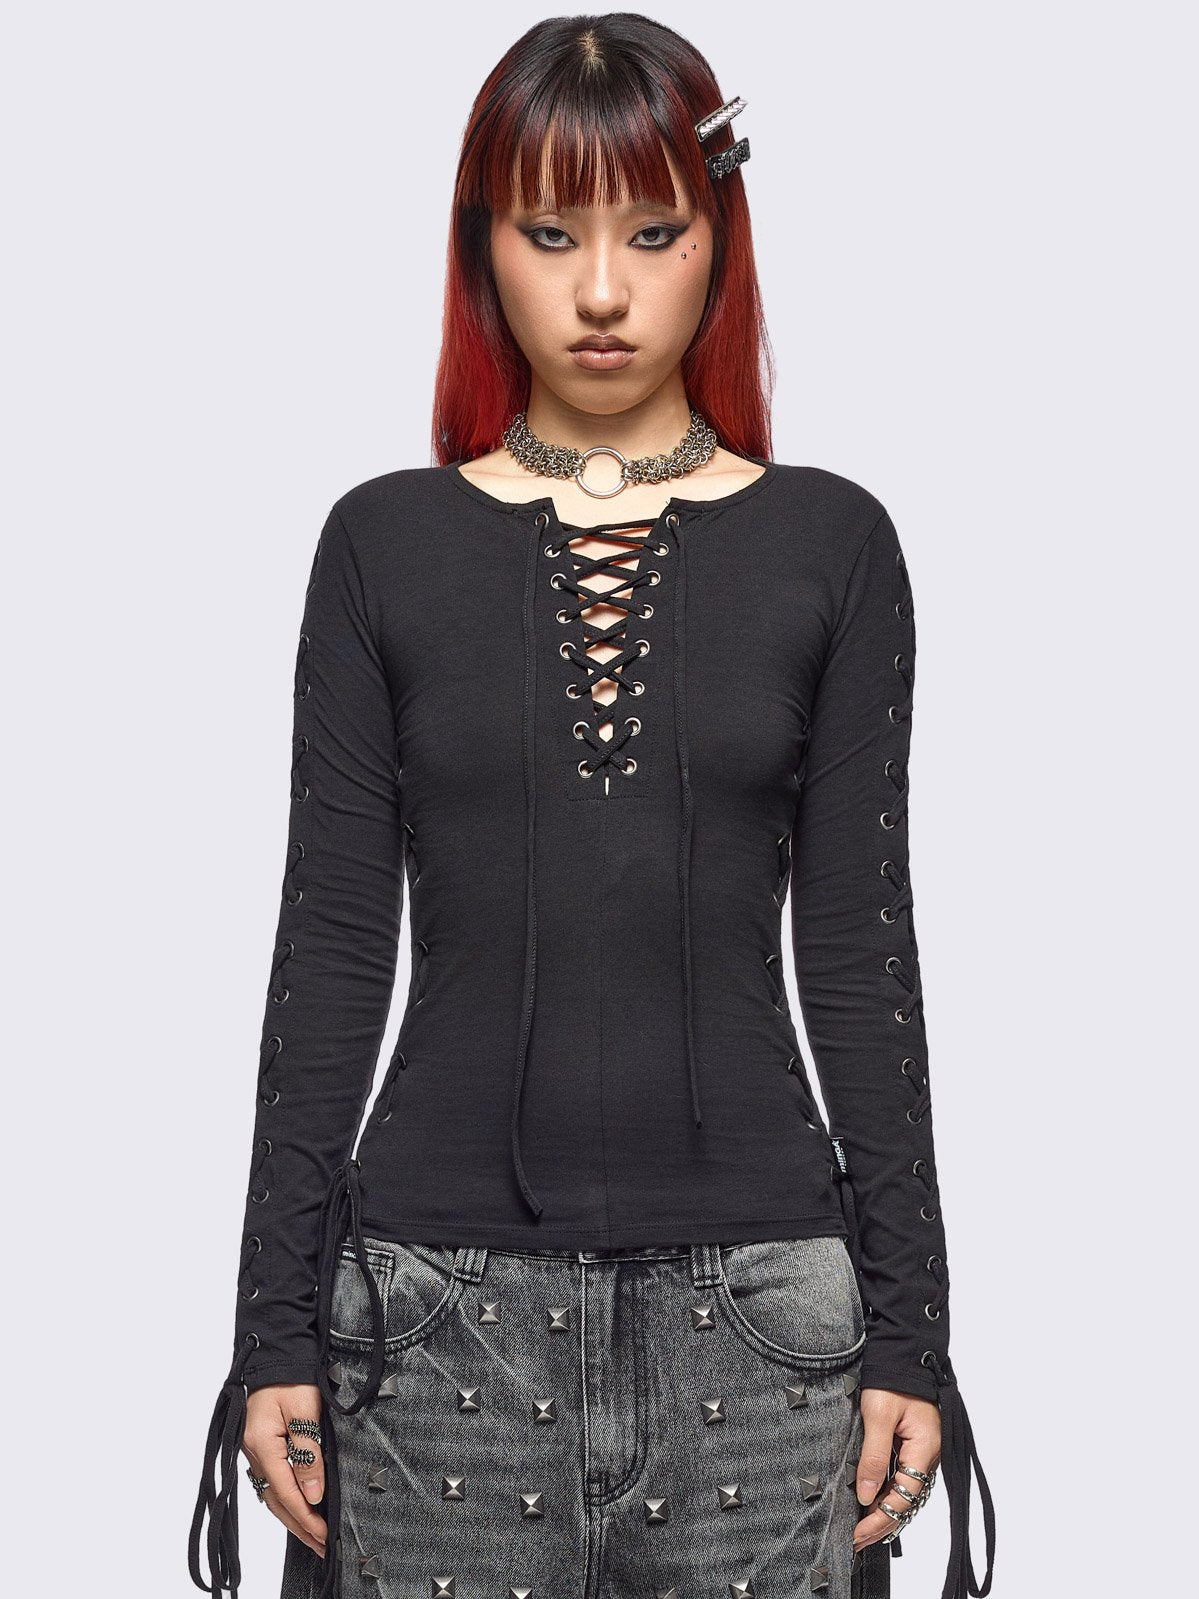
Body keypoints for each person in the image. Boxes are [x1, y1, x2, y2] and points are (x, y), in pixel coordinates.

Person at [189, 15, 996, 1599]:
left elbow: (858, 949)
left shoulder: (835, 547)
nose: (605, 291)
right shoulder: (380, 546)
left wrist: (914, 1329)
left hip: (767, 1332)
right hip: (430, 1326)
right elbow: (335, 943)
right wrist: (270, 1327)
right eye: (551, 234)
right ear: (483, 246)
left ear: (721, 239)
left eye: (654, 232)